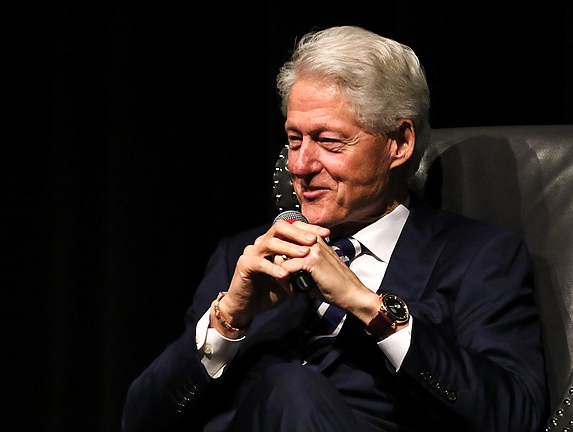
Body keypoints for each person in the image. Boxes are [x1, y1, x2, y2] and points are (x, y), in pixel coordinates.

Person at [121, 25, 547, 431]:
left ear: (399, 143)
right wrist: (228, 319)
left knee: (294, 388)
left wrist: (370, 309)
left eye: (328, 141)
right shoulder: (243, 258)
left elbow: (516, 416)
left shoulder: (477, 257)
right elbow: (140, 421)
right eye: (293, 139)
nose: (300, 166)